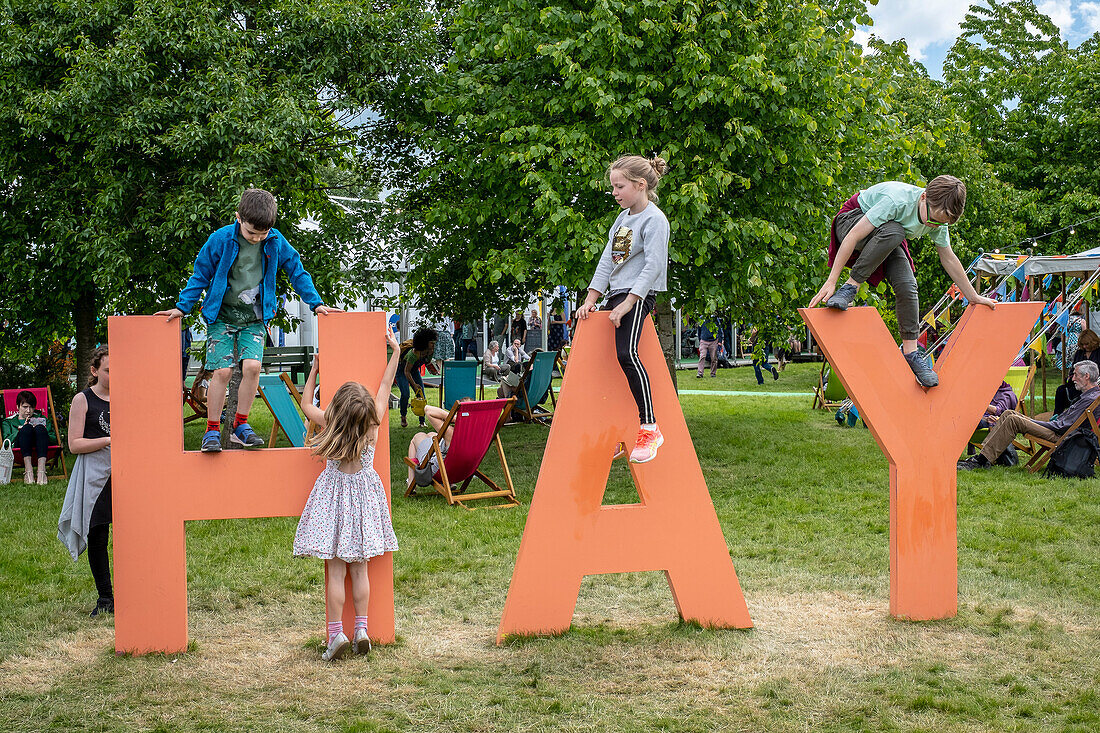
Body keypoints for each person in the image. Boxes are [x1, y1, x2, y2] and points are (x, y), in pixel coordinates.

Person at [154, 189, 337, 453]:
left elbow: (297, 270)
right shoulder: (220, 239)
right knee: (223, 371)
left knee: (252, 367)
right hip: (221, 316)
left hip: (254, 318)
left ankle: (241, 424)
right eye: (252, 233)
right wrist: (183, 307)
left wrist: (316, 303)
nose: (257, 239)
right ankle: (212, 430)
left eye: (262, 234)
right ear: (238, 218)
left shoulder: (274, 241)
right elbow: (200, 274)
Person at [808, 176, 996, 387]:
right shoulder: (896, 201)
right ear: (923, 197)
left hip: (886, 237)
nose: (935, 226)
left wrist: (973, 296)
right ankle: (850, 287)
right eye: (933, 220)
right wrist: (832, 281)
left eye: (942, 223)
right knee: (895, 231)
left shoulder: (938, 218)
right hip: (852, 221)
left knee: (908, 285)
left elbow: (949, 258)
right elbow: (852, 236)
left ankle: (911, 353)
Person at [293, 328, 401, 661]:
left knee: (336, 573)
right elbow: (384, 386)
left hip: (334, 500)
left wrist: (314, 369)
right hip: (364, 499)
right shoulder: (375, 422)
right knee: (361, 571)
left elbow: (304, 403)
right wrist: (394, 351)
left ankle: (335, 634)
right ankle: (362, 630)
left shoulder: (330, 422)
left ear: (339, 408)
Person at [576, 154, 670, 463]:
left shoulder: (655, 220)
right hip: (615, 295)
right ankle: (616, 428)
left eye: (619, 186)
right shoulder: (623, 218)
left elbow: (654, 266)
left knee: (626, 354)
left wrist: (631, 301)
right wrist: (591, 298)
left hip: (637, 296)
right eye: (613, 187)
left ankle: (650, 428)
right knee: (605, 362)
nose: (614, 193)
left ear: (640, 185)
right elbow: (608, 260)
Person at [959, 360, 1100, 470]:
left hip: (1062, 436)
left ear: (1086, 376)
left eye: (1075, 374)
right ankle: (984, 456)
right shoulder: (1091, 395)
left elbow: (1061, 426)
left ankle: (982, 460)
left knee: (1013, 419)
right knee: (1009, 413)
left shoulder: (1090, 398)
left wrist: (1033, 422)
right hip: (1060, 430)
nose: (1072, 378)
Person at [57, 346, 114, 617]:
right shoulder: (83, 399)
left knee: (131, 536)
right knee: (98, 535)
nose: (113, 374)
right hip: (95, 477)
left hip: (127, 475)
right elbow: (74, 444)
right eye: (107, 369)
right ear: (94, 371)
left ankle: (133, 592)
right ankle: (105, 598)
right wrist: (110, 440)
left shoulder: (127, 397)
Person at [2, 390, 57, 485]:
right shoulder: (8, 422)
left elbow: (54, 439)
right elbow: (6, 443)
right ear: (18, 407)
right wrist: (21, 429)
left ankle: (41, 472)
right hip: (19, 452)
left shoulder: (43, 420)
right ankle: (28, 471)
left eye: (31, 407)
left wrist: (40, 431)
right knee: (26, 428)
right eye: (25, 407)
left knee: (39, 427)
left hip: (41, 447)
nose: (28, 411)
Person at [406, 404, 458, 490]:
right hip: (462, 470)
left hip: (439, 469)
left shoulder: (451, 433)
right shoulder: (479, 433)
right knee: (432, 434)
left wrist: (453, 418)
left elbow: (427, 409)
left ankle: (411, 482)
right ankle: (450, 482)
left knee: (417, 437)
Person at [395, 327, 437, 428]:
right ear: (425, 343)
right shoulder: (413, 354)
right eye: (431, 342)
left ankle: (422, 422)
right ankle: (403, 416)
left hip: (414, 371)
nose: (433, 345)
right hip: (402, 371)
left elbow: (426, 362)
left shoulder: (430, 352)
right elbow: (406, 371)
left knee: (421, 395)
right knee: (405, 394)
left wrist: (431, 369)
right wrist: (414, 384)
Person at [1054, 329, 1100, 415]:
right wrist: (1072, 378)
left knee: (1079, 396)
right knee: (1061, 390)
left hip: (1093, 385)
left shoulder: (1098, 353)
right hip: (1079, 383)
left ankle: (1074, 418)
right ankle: (1057, 416)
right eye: (1083, 344)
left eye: (1087, 344)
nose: (1085, 347)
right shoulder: (1079, 353)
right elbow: (1072, 370)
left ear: (1093, 342)